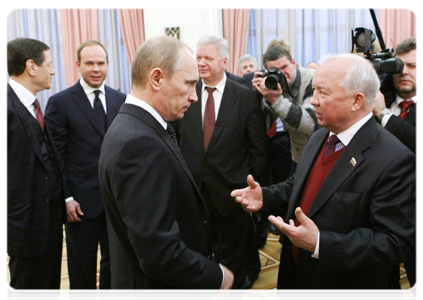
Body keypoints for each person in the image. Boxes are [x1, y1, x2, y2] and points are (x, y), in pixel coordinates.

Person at [231, 54, 419, 300]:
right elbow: (301, 186)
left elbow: (394, 243)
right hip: (298, 278)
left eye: (323, 92)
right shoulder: (320, 137)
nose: (314, 101)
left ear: (356, 101)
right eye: (313, 90)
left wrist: (321, 243)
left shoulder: (395, 160)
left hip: (345, 288)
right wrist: (265, 197)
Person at [98, 36, 234, 300]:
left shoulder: (133, 125)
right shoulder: (139, 143)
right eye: (189, 84)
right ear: (157, 79)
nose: (195, 97)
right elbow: (157, 251)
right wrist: (214, 277)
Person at [173, 35, 267, 299]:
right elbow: (176, 138)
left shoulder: (245, 97)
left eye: (207, 58)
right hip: (193, 193)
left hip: (232, 194)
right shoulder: (185, 94)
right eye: (198, 57)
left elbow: (258, 150)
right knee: (197, 255)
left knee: (232, 260)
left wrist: (246, 185)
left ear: (224, 61)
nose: (201, 63)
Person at [45, 40, 126, 300]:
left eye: (101, 63)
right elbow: (58, 158)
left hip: (116, 201)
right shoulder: (60, 102)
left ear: (108, 65)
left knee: (115, 264)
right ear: (78, 65)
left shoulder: (121, 99)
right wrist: (66, 197)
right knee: (81, 269)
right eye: (89, 63)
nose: (96, 68)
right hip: (79, 203)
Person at [5, 37, 66, 300]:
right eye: (49, 65)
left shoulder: (36, 106)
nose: (52, 71)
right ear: (32, 66)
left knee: (47, 290)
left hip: (49, 221)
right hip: (24, 226)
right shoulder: (5, 109)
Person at [372, 37, 420, 300]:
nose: (404, 71)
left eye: (412, 65)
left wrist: (383, 114)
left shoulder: (380, 108)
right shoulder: (379, 98)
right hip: (378, 215)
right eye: (398, 65)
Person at [254, 45, 320, 175]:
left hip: (320, 152)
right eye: (275, 71)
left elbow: (311, 123)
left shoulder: (312, 79)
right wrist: (259, 97)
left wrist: (276, 101)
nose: (282, 74)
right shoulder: (272, 86)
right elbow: (265, 126)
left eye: (284, 67)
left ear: (293, 63)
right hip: (298, 156)